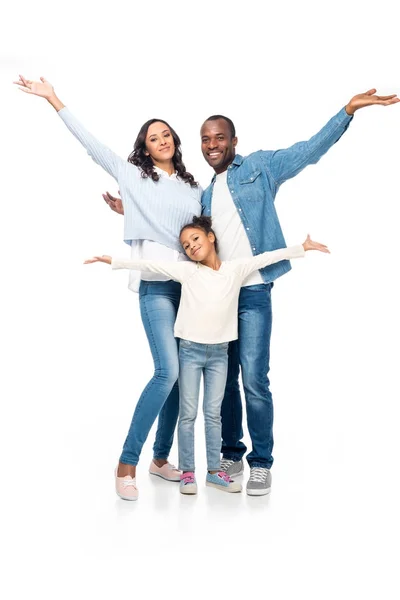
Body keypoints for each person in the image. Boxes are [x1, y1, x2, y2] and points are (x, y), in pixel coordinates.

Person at [103, 87, 399, 496]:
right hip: (217, 296)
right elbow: (183, 235)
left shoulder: (260, 166)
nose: (212, 145)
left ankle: (260, 462)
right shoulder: (201, 193)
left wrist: (347, 111)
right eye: (205, 139)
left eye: (219, 137)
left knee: (255, 379)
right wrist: (130, 209)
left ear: (233, 141)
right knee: (224, 382)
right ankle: (230, 453)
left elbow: (309, 150)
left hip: (254, 291)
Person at [14, 74, 203, 501]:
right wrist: (53, 99)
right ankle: (126, 463)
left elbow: (195, 233)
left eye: (167, 135)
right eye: (154, 138)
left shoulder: (193, 187)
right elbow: (92, 144)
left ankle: (159, 460)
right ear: (145, 146)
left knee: (181, 378)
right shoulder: (134, 174)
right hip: (156, 288)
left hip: (190, 288)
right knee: (167, 371)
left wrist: (128, 212)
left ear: (175, 141)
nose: (162, 141)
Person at [84, 216, 330, 496]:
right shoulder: (188, 272)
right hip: (189, 352)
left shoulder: (235, 270)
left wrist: (301, 247)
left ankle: (214, 473)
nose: (191, 247)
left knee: (213, 415)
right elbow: (152, 264)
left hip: (219, 355)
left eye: (196, 239)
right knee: (188, 415)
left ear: (211, 237)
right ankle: (188, 473)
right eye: (186, 245)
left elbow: (265, 258)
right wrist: (114, 261)